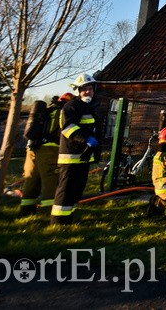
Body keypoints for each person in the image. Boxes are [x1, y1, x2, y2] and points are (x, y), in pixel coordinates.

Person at [50, 74, 101, 225]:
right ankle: (59, 221)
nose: (88, 92)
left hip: (84, 157)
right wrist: (87, 139)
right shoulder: (71, 106)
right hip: (71, 156)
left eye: (90, 88)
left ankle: (69, 217)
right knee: (66, 189)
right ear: (78, 91)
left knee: (77, 189)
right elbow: (68, 128)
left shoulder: (89, 107)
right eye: (84, 89)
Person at [19, 94, 72, 215]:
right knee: (51, 182)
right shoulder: (62, 113)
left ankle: (26, 210)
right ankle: (49, 212)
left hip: (32, 149)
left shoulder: (46, 111)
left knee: (31, 180)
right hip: (50, 150)